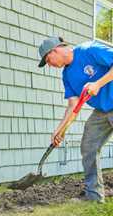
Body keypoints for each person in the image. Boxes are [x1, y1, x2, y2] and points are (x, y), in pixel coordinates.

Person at [38, 36, 113, 203]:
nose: (49, 65)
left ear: (55, 50)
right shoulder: (67, 76)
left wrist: (98, 84)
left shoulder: (89, 50)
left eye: (48, 60)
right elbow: (73, 105)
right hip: (102, 111)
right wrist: (60, 130)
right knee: (88, 146)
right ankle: (94, 196)